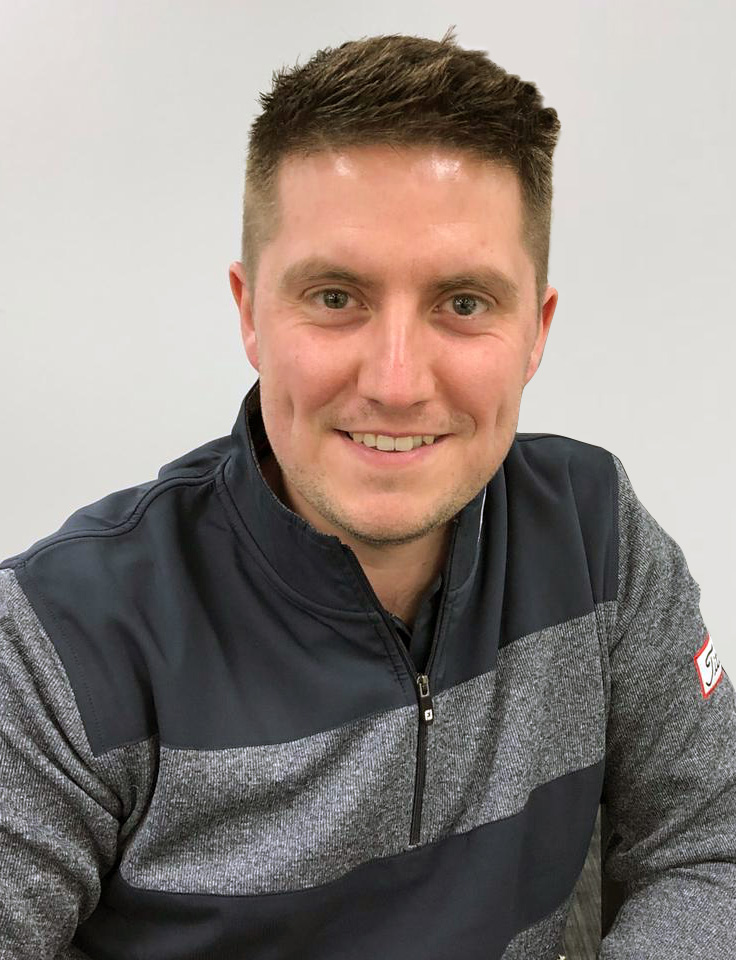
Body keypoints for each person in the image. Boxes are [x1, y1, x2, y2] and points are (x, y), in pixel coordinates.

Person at [1, 26, 734, 960]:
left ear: (537, 330)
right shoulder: (58, 642)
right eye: (336, 297)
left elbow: (710, 842)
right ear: (249, 313)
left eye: (463, 304)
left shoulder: (599, 538)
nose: (395, 382)